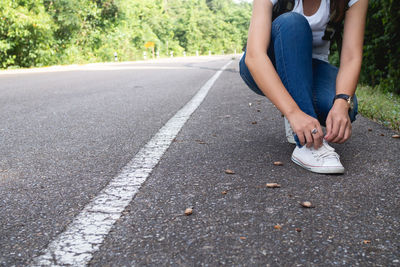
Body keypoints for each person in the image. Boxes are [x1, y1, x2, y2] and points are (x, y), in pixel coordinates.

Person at [239, 0, 368, 174]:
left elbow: (352, 57)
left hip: (313, 67)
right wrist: (294, 112)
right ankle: (308, 145)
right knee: (293, 23)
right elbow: (254, 56)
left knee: (346, 110)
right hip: (267, 64)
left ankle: (300, 108)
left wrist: (342, 102)